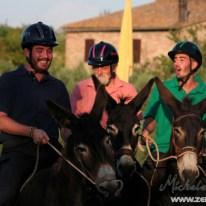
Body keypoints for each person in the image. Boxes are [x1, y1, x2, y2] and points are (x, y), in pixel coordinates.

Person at [0, 21, 70, 206]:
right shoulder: (9, 81)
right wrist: (31, 132)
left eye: (49, 50)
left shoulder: (58, 87)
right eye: (40, 50)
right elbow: (1, 120)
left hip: (52, 152)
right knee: (5, 197)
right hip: (18, 153)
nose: (46, 56)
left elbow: (65, 127)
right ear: (26, 52)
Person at [141, 41, 206, 188]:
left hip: (197, 156)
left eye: (181, 59)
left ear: (194, 64)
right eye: (175, 60)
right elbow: (151, 117)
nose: (176, 64)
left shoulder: (205, 91)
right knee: (141, 191)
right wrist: (145, 132)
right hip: (163, 153)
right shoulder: (163, 88)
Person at [71, 41, 138, 127]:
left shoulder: (128, 90)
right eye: (95, 67)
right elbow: (71, 124)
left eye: (103, 67)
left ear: (114, 67)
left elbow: (135, 120)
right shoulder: (80, 88)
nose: (99, 72)